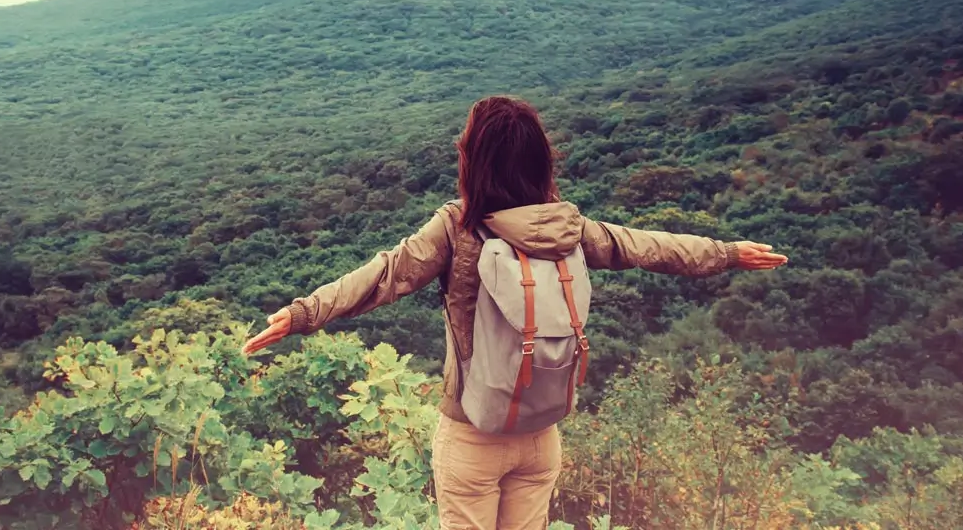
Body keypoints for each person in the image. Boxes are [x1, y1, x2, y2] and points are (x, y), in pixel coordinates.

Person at [242, 96, 788, 530]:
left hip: (473, 435)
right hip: (541, 434)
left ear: (473, 161)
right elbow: (646, 246)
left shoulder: (458, 227)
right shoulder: (567, 226)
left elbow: (385, 274)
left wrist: (303, 313)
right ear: (539, 161)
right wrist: (725, 253)